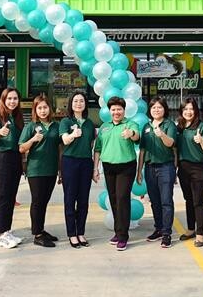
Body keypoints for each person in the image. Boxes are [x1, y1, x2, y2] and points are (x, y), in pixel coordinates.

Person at [93, 96, 140, 252]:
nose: (116, 112)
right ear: (109, 111)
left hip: (126, 167)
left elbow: (136, 136)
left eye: (119, 109)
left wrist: (131, 133)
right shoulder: (105, 127)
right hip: (108, 166)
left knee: (122, 198)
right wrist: (95, 168)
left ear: (124, 110)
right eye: (113, 109)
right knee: (113, 198)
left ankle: (123, 236)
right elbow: (98, 148)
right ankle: (117, 231)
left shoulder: (130, 124)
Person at [19, 94, 61, 248]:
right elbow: (21, 147)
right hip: (36, 170)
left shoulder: (56, 126)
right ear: (35, 110)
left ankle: (41, 229)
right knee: (37, 202)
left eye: (45, 107)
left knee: (44, 201)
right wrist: (33, 140)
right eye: (39, 108)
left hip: (51, 169)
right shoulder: (30, 126)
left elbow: (60, 147)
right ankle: (37, 234)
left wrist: (60, 170)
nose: (43, 111)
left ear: (50, 108)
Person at [137, 97, 177, 248]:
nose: (156, 110)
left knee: (166, 201)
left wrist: (162, 135)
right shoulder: (146, 126)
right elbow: (142, 150)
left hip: (165, 167)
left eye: (159, 107)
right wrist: (139, 171)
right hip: (149, 167)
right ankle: (158, 228)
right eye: (153, 107)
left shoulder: (169, 125)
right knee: (155, 201)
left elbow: (171, 143)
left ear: (164, 109)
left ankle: (167, 233)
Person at [0, 88, 25, 249]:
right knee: (3, 196)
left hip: (16, 158)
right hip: (3, 158)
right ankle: (0, 234)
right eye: (9, 98)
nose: (12, 101)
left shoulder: (17, 117)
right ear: (3, 99)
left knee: (11, 197)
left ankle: (7, 231)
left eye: (15, 98)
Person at [59, 91, 96, 248]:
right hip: (70, 163)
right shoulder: (66, 121)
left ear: (85, 104)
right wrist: (73, 134)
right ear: (71, 104)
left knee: (83, 200)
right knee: (70, 198)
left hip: (86, 163)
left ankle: (81, 232)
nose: (79, 104)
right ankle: (71, 234)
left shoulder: (89, 123)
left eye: (81, 101)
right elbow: (65, 141)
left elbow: (92, 145)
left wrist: (94, 167)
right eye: (75, 101)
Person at [176, 97, 203, 247]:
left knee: (198, 201)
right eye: (185, 109)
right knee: (188, 200)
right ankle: (191, 229)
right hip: (183, 168)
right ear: (181, 112)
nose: (188, 112)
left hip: (198, 167)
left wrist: (201, 140)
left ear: (196, 111)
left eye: (191, 109)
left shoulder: (201, 126)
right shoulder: (179, 127)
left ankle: (200, 233)